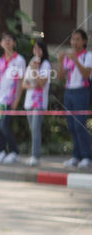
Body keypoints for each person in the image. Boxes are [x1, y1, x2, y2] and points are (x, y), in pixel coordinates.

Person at [0, 32, 27, 164]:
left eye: (10, 39)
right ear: (1, 43)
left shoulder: (19, 60)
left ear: (14, 43)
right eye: (4, 40)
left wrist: (16, 100)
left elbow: (21, 81)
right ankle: (2, 151)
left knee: (4, 125)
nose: (7, 42)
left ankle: (14, 152)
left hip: (8, 99)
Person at [14, 38, 51, 167]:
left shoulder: (45, 64)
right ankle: (34, 155)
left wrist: (35, 71)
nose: (36, 51)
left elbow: (42, 83)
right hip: (29, 102)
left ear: (43, 50)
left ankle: (36, 156)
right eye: (35, 48)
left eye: (39, 48)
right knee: (32, 129)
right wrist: (33, 83)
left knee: (36, 129)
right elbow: (24, 84)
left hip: (40, 103)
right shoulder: (31, 63)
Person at [59, 29, 92, 168]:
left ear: (84, 41)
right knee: (71, 125)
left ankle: (87, 156)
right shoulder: (69, 56)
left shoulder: (88, 56)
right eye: (73, 39)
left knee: (80, 124)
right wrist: (61, 62)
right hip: (69, 92)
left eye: (78, 39)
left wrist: (76, 60)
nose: (74, 42)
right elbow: (60, 77)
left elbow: (86, 74)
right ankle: (76, 156)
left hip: (81, 91)